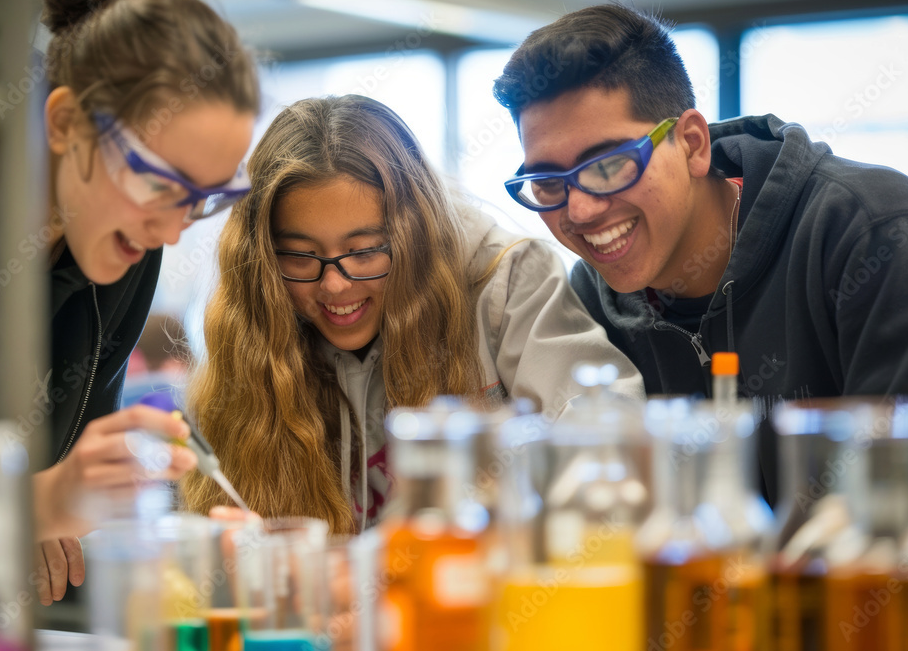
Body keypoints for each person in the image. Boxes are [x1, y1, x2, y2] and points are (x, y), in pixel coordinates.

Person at [492, 3, 908, 498]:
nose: (579, 212)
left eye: (609, 165)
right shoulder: (592, 301)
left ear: (691, 143)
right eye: (547, 182)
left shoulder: (871, 233)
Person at [0, 0, 259, 604]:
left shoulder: (122, 252)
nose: (173, 230)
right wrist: (33, 500)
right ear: (64, 122)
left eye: (201, 199)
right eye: (157, 183)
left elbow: (43, 520)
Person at [180, 94, 644, 533]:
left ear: (411, 236)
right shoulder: (257, 320)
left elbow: (608, 438)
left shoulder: (500, 279)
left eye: (363, 252)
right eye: (300, 256)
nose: (334, 285)